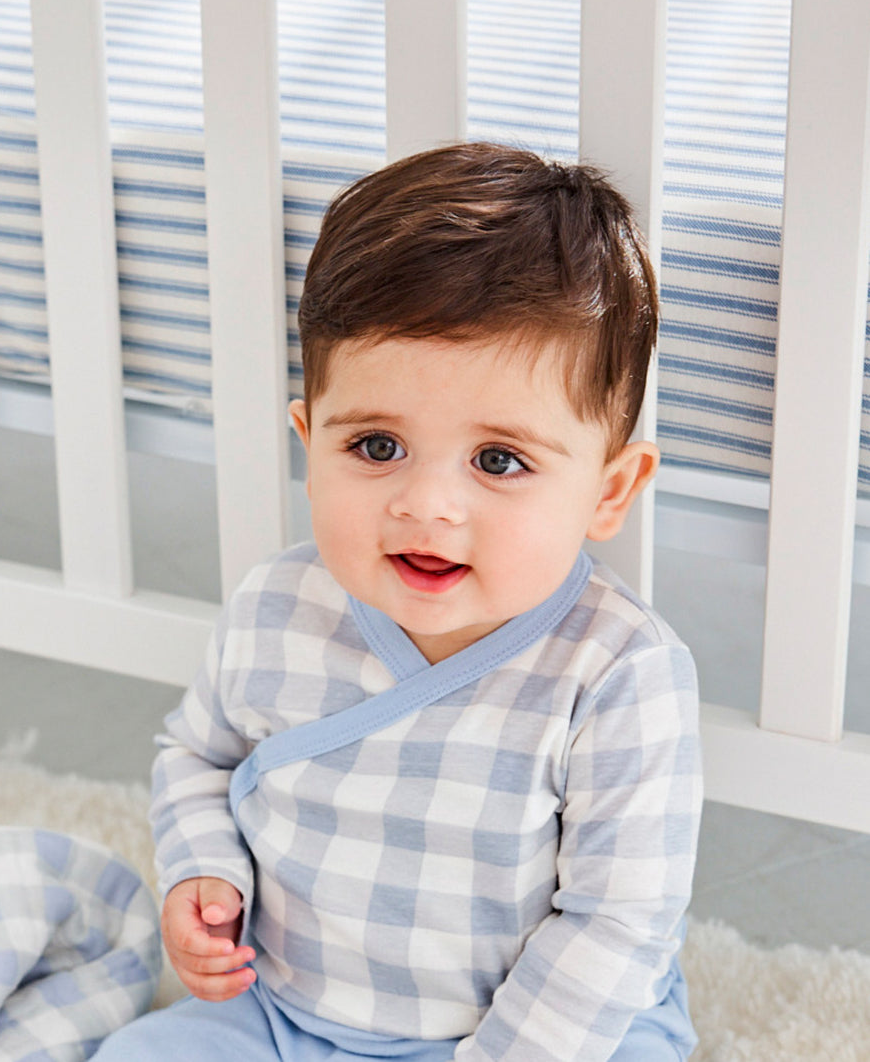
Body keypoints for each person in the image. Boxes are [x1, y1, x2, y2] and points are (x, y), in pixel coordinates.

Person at [93, 142, 702, 1061]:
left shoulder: (618, 674)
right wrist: (202, 871)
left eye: (499, 461)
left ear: (610, 491)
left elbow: (617, 925)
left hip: (546, 1031)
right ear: (310, 440)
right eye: (376, 447)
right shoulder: (277, 607)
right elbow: (199, 759)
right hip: (288, 1011)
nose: (426, 504)